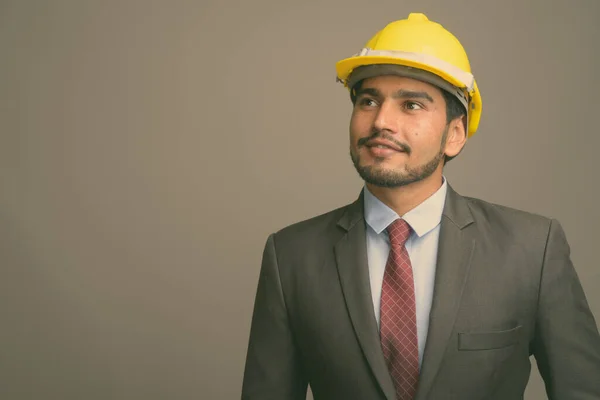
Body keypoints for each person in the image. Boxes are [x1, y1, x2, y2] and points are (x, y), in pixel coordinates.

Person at [241, 12, 600, 400]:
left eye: (411, 105)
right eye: (368, 100)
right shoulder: (291, 256)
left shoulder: (532, 250)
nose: (381, 121)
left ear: (455, 134)